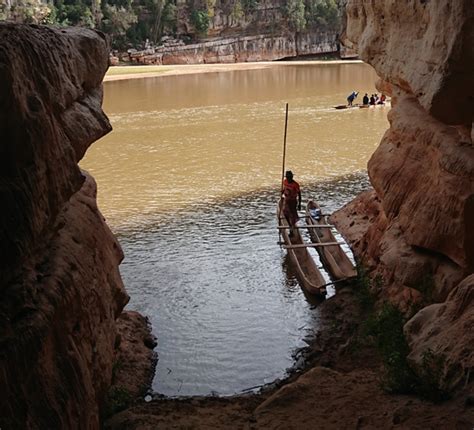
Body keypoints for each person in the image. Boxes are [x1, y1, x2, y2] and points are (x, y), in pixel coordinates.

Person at [282, 170, 301, 237]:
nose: (289, 178)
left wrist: (299, 204)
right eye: (288, 177)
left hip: (293, 201)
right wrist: (282, 192)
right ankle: (290, 225)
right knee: (285, 212)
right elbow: (284, 189)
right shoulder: (285, 181)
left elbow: (299, 194)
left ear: (292, 177)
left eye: (290, 177)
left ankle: (292, 229)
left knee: (292, 215)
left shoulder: (295, 185)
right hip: (287, 200)